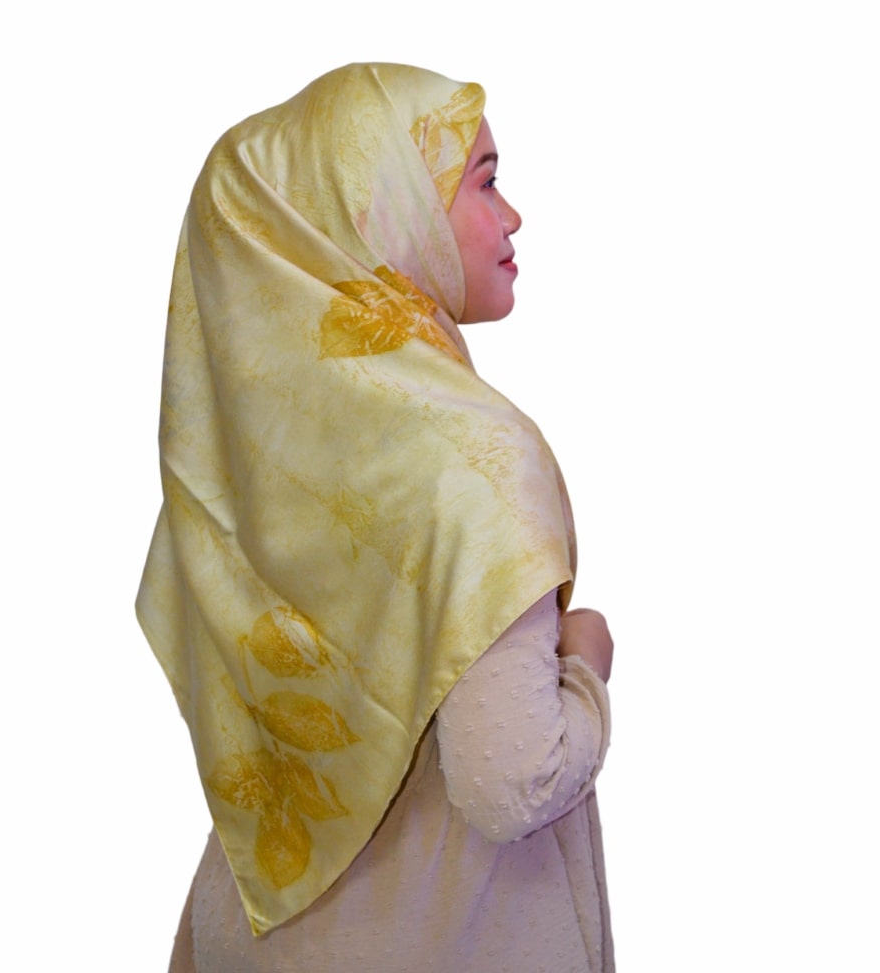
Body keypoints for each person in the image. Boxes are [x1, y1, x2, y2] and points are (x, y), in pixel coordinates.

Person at [137, 63, 615, 973]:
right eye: (483, 182)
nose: (512, 216)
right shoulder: (471, 460)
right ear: (384, 208)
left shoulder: (258, 474)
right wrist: (586, 662)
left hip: (255, 936)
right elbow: (514, 779)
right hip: (449, 939)